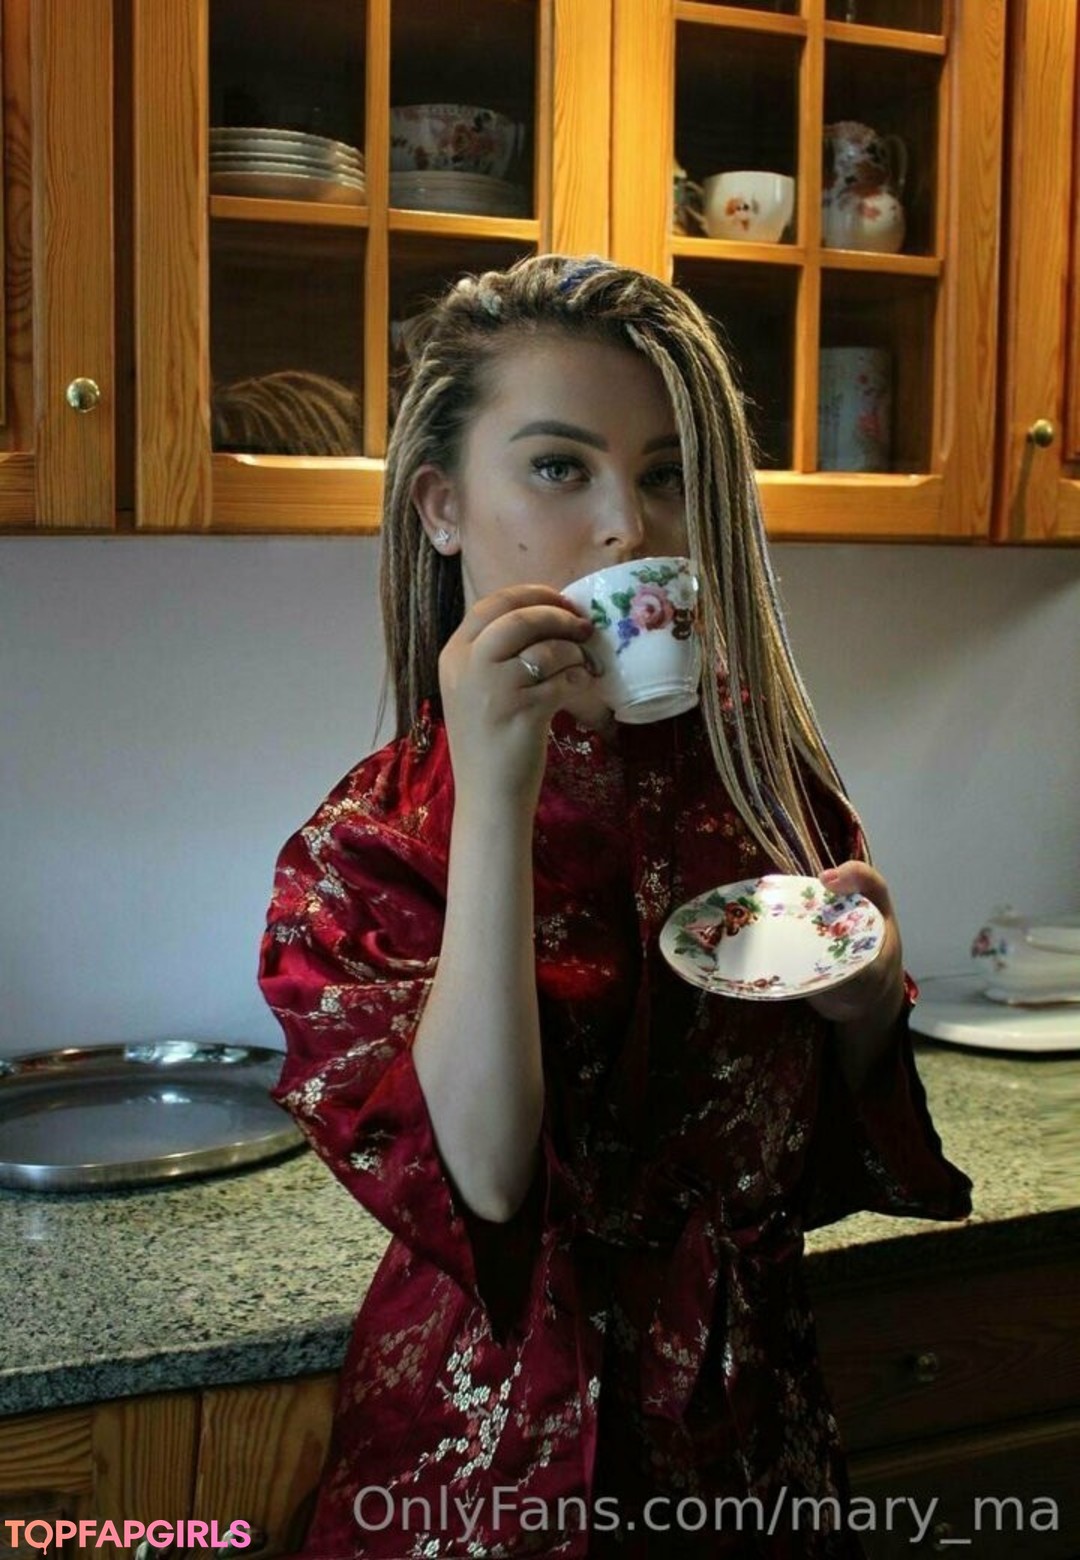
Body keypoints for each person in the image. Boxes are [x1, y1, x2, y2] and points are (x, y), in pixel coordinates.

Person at [257, 254, 971, 1559]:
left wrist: (869, 1005)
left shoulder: (766, 790)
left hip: (747, 1441)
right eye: (558, 467)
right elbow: (484, 1182)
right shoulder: (368, 847)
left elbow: (815, 1155)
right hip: (490, 1464)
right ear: (441, 508)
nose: (626, 530)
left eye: (665, 475)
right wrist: (497, 787)